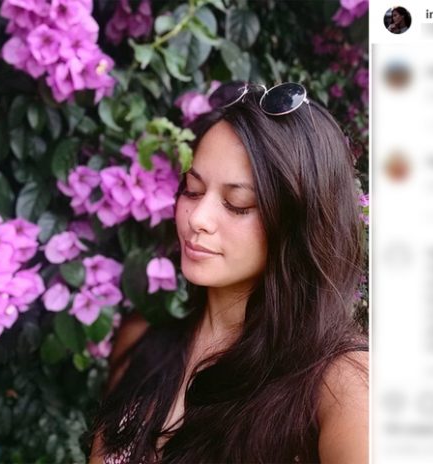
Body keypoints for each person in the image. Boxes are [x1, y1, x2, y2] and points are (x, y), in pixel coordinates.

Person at [88, 82, 368, 463]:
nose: (198, 219)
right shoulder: (142, 343)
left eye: (237, 204)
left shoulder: (342, 386)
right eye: (192, 190)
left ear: (298, 223)